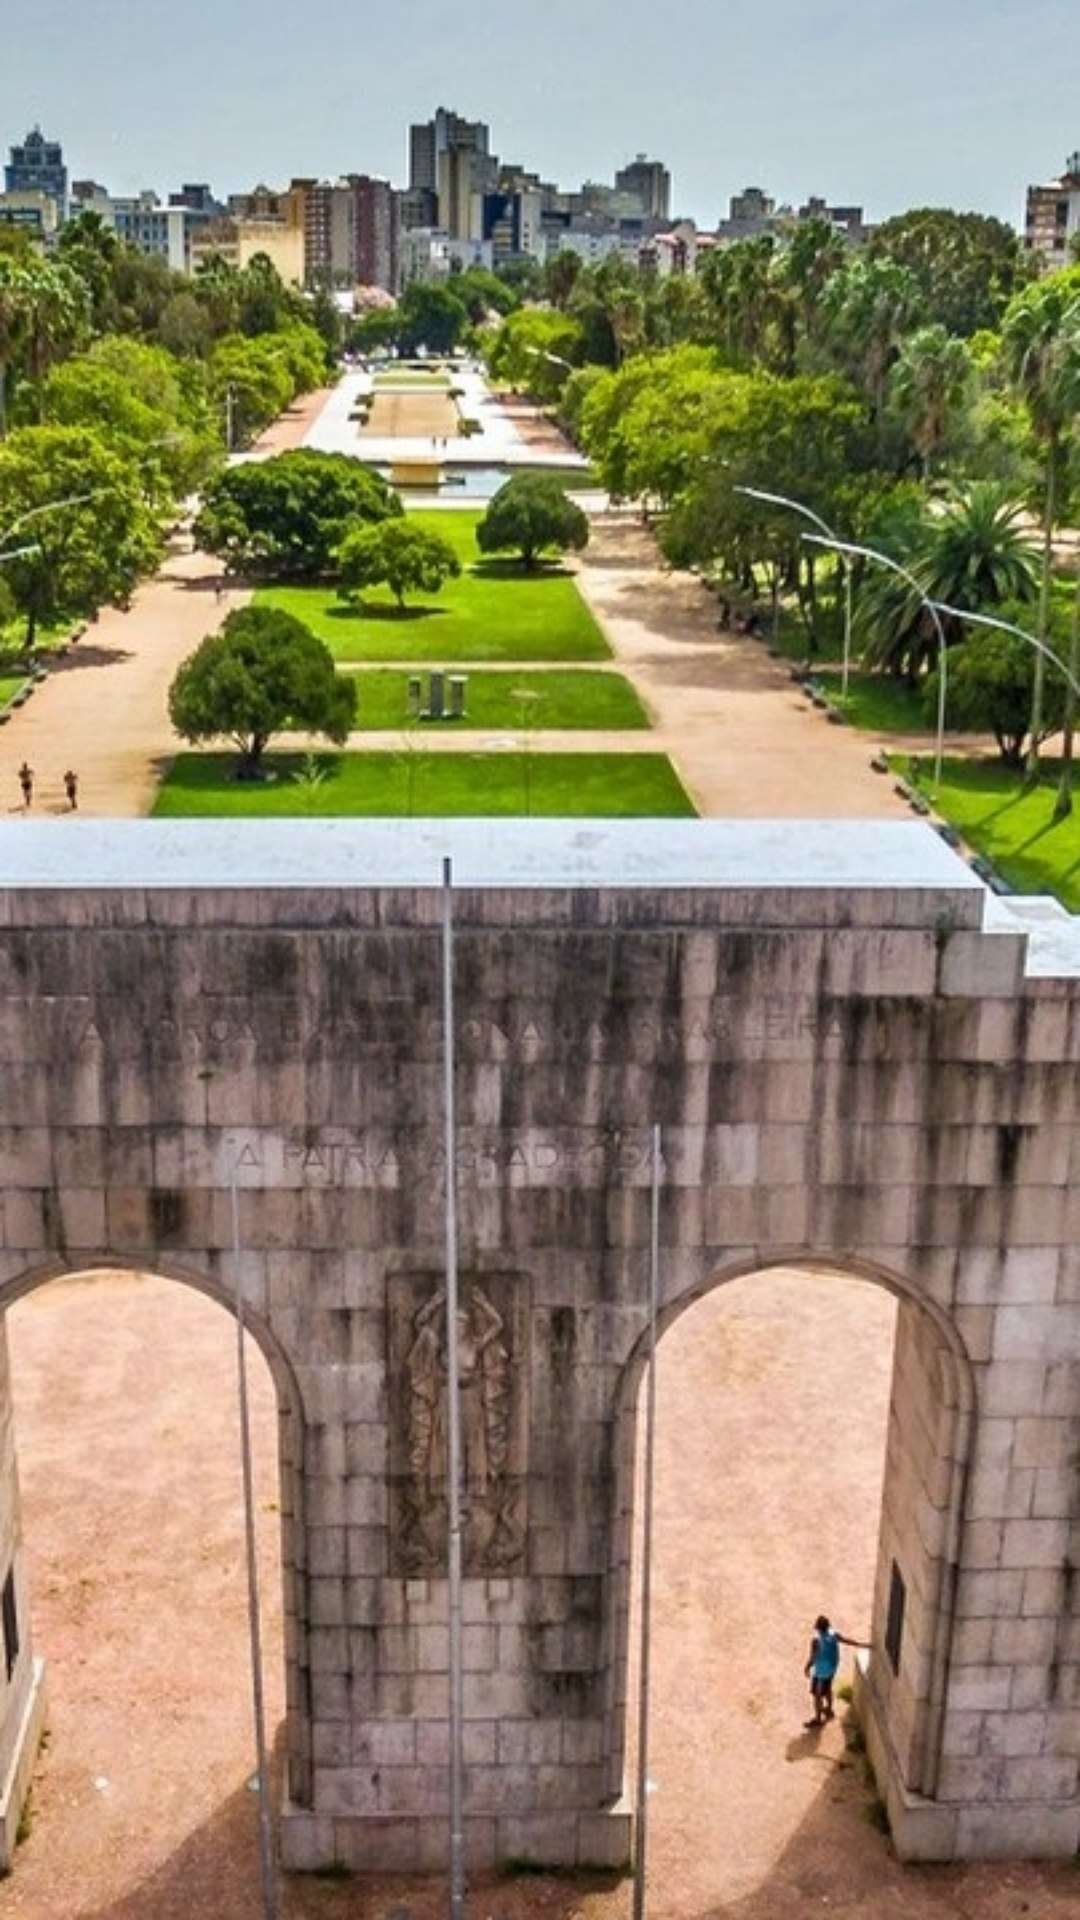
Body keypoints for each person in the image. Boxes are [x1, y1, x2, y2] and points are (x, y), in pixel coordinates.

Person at [803, 1614, 866, 1728]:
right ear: (828, 1626)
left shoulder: (816, 1641)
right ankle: (829, 1709)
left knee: (817, 1695)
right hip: (832, 1668)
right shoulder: (834, 1634)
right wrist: (861, 1645)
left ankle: (818, 1719)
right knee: (827, 1689)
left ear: (817, 1627)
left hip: (821, 1671)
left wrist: (807, 1667)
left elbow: (813, 1656)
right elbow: (847, 1641)